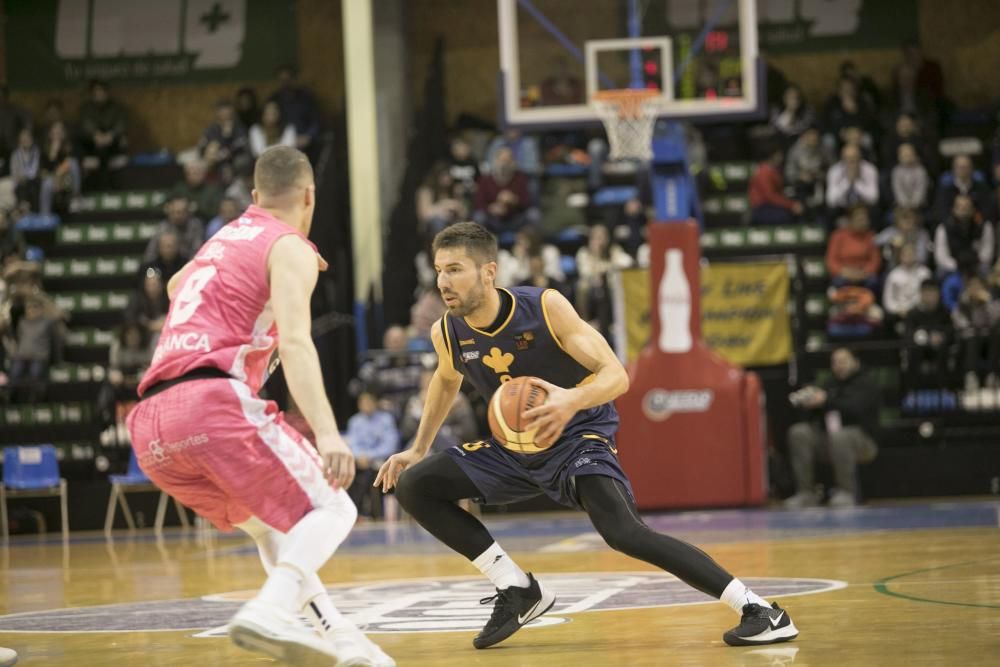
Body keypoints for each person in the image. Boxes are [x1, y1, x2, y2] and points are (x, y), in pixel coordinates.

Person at [373, 222, 799, 650]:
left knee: (624, 533)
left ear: (488, 272)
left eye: (455, 269)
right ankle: (517, 588)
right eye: (440, 270)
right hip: (515, 447)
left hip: (579, 435)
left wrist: (568, 401)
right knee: (415, 485)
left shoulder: (544, 307)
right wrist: (419, 447)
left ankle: (760, 610)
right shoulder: (447, 331)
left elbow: (616, 376)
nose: (443, 282)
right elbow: (446, 381)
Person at [125, 146, 393, 666]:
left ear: (254, 197)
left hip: (152, 423)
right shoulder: (288, 245)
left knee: (270, 527)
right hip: (210, 402)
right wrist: (329, 433)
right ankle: (272, 610)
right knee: (336, 507)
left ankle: (342, 639)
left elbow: (178, 285)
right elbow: (296, 342)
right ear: (309, 196)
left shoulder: (221, 239)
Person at [785, 348, 880, 509]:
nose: (838, 365)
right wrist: (810, 406)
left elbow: (855, 409)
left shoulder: (866, 383)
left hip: (863, 441)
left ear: (855, 362)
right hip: (830, 440)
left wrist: (826, 400)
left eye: (843, 361)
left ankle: (847, 492)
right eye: (835, 362)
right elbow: (819, 418)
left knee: (840, 436)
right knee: (799, 432)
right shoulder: (829, 383)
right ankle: (805, 493)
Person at [344, 391, 400, 518]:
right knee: (349, 471)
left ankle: (359, 511)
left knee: (370, 472)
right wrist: (360, 456)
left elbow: (390, 445)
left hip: (380, 459)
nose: (366, 405)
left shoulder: (386, 419)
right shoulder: (355, 421)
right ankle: (354, 510)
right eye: (363, 403)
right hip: (359, 460)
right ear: (359, 405)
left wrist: (369, 456)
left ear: (375, 403)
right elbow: (353, 444)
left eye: (369, 402)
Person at [952, 274, 1000, 392]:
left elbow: (994, 319)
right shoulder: (962, 302)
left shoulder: (987, 301)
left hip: (986, 337)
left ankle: (992, 376)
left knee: (996, 337)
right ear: (967, 288)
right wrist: (973, 328)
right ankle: (971, 376)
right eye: (972, 285)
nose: (975, 288)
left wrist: (987, 303)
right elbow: (958, 321)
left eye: (978, 285)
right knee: (972, 337)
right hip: (968, 338)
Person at [934, 194, 994, 277]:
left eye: (967, 207)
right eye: (960, 207)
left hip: (977, 265)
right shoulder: (943, 228)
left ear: (973, 209)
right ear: (953, 209)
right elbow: (941, 256)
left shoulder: (984, 226)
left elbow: (987, 252)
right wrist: (957, 266)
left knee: (986, 270)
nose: (963, 210)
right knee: (940, 272)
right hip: (953, 265)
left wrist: (975, 264)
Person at [826, 206, 881, 289]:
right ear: (850, 220)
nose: (864, 223)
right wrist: (844, 272)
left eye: (865, 220)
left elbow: (875, 260)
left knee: (873, 281)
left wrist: (864, 272)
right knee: (838, 282)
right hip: (844, 273)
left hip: (863, 273)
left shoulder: (870, 236)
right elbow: (831, 260)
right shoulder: (838, 235)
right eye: (860, 220)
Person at [748, 146, 803, 225]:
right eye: (779, 155)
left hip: (773, 206)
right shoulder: (764, 171)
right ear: (772, 156)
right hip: (762, 208)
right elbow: (770, 196)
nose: (781, 157)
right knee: (786, 216)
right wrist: (791, 205)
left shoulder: (774, 170)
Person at [883, 244, 931, 318]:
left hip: (918, 310)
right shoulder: (893, 275)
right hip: (898, 311)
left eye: (911, 253)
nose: (909, 257)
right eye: (906, 254)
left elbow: (926, 295)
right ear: (900, 256)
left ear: (916, 255)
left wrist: (910, 309)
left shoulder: (924, 273)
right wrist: (897, 309)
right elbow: (888, 299)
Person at [826, 144, 878, 211]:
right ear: (843, 159)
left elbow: (874, 198)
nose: (851, 162)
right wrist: (847, 181)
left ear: (860, 158)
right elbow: (831, 200)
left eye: (854, 158)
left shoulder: (870, 169)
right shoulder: (834, 171)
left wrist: (856, 182)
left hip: (864, 207)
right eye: (848, 158)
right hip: (842, 209)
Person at [891, 143, 930, 210]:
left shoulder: (921, 171)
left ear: (915, 155)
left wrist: (914, 204)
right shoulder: (896, 171)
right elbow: (898, 190)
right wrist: (905, 204)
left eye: (909, 155)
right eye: (905, 155)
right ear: (899, 157)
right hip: (901, 205)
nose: (907, 157)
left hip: (919, 205)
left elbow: (920, 190)